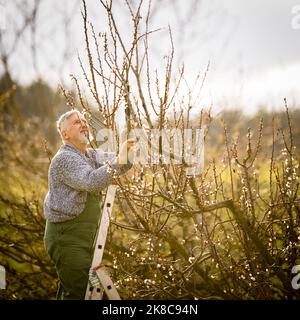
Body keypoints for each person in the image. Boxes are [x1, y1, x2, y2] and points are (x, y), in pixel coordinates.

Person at [43, 110, 135, 300]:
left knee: (91, 292)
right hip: (66, 240)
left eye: (84, 120)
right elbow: (91, 180)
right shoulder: (64, 159)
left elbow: (120, 163)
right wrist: (118, 160)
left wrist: (130, 151)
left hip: (85, 241)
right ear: (64, 133)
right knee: (81, 292)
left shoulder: (90, 155)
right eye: (77, 122)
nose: (83, 123)